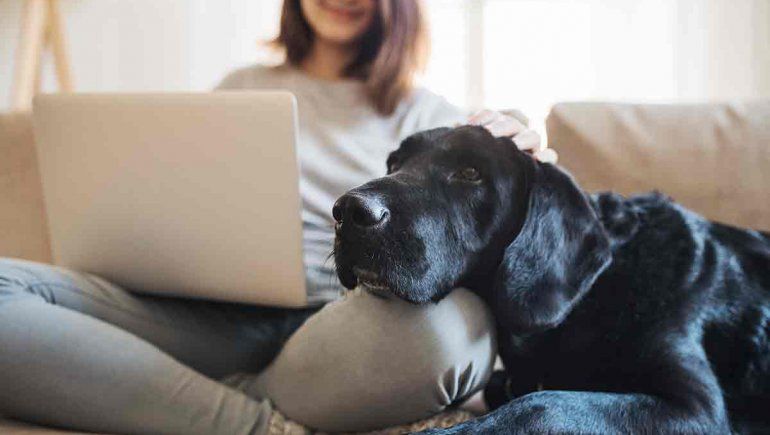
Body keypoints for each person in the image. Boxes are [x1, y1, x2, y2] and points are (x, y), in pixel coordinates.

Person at [0, 1, 556, 434]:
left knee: (449, 337)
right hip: (202, 314)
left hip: (340, 326)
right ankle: (256, 419)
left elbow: (495, 184)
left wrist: (519, 141)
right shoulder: (241, 88)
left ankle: (172, 392)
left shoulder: (427, 114)